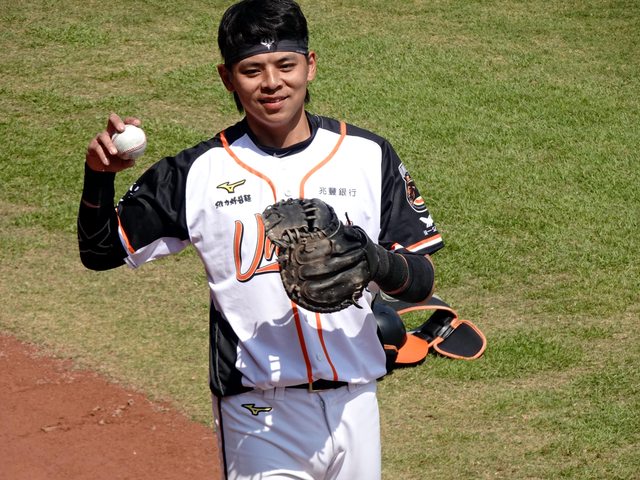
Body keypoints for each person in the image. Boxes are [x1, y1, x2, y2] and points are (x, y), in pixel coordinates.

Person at [78, 0, 444, 478]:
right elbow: (101, 251)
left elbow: (421, 279)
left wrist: (375, 261)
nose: (272, 82)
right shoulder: (197, 172)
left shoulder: (367, 155)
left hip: (357, 402)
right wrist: (98, 176)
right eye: (252, 70)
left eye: (285, 65)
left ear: (310, 66)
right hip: (258, 414)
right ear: (227, 78)